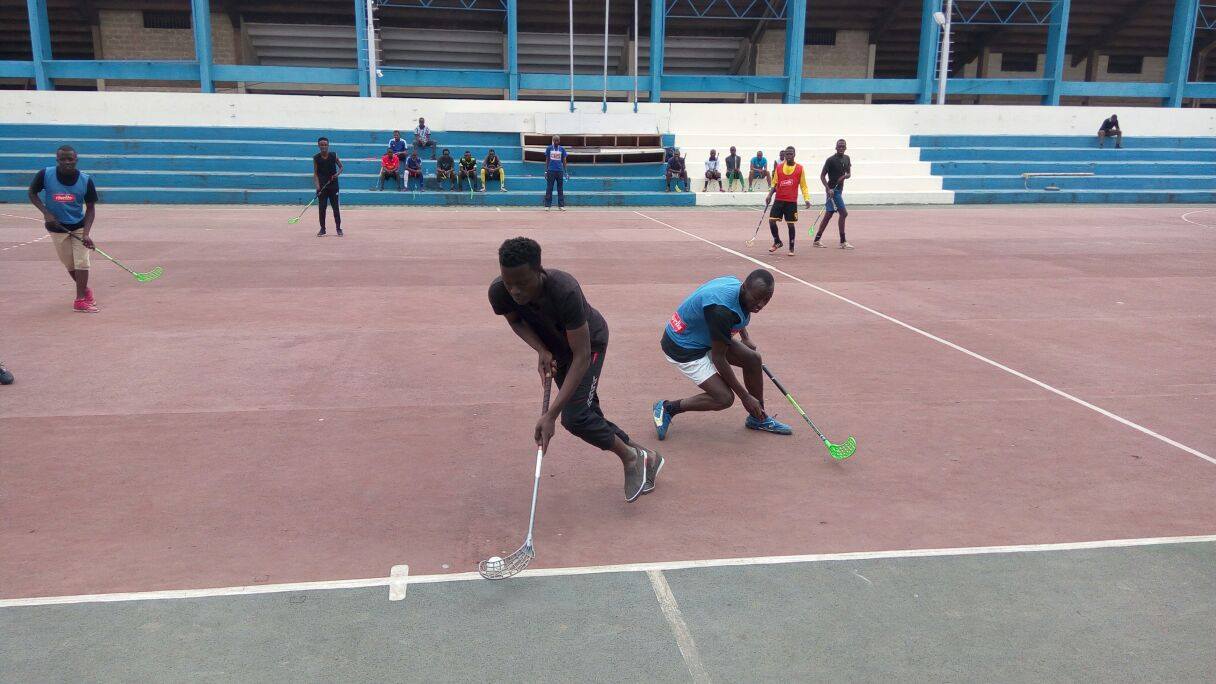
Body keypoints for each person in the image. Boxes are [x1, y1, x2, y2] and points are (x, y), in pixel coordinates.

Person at [489, 237, 663, 501]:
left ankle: (630, 458)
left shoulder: (564, 290)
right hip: (557, 348)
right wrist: (541, 350)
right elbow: (515, 321)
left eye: (522, 283)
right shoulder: (499, 292)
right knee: (586, 411)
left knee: (575, 417)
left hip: (589, 345)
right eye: (508, 282)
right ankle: (646, 456)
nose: (515, 291)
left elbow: (581, 356)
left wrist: (550, 415)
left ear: (539, 271)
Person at [651, 270, 792, 440]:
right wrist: (745, 397)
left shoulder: (734, 284)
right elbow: (719, 358)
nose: (760, 305)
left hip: (706, 334)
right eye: (756, 299)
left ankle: (758, 417)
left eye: (766, 300)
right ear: (744, 288)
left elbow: (735, 312)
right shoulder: (721, 311)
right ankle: (668, 408)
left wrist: (745, 337)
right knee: (724, 398)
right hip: (683, 346)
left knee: (753, 359)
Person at [28, 145, 100, 312]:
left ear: (76, 160)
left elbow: (90, 208)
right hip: (56, 228)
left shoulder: (86, 180)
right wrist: (46, 212)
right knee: (70, 264)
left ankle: (80, 300)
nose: (67, 162)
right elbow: (32, 193)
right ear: (57, 160)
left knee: (82, 262)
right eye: (63, 159)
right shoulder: (45, 174)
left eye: (70, 159)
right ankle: (85, 290)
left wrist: (87, 234)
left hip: (79, 226)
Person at [765, 146, 811, 256]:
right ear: (784, 155)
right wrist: (769, 195)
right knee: (771, 221)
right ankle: (777, 242)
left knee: (790, 224)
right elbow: (774, 183)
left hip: (791, 201)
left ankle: (791, 247)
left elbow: (803, 186)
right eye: (787, 154)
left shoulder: (800, 168)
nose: (789, 156)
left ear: (794, 155)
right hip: (779, 199)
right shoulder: (779, 167)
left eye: (791, 154)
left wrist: (807, 199)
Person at [813, 139, 853, 249]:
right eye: (839, 146)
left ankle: (817, 239)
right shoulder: (830, 160)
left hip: (839, 190)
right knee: (844, 213)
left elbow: (849, 173)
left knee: (829, 214)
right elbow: (822, 176)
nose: (841, 148)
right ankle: (843, 241)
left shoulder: (847, 158)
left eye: (843, 146)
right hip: (832, 191)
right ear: (836, 147)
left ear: (845, 148)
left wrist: (845, 176)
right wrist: (827, 188)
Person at [313, 137, 343, 237]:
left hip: (334, 186)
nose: (323, 146)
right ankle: (322, 229)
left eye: (325, 144)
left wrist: (337, 174)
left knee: (335, 208)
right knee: (322, 208)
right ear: (318, 146)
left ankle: (338, 228)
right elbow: (315, 174)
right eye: (321, 145)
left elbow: (341, 167)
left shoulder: (334, 155)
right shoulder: (316, 158)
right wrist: (317, 187)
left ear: (328, 145)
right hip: (322, 187)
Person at [544, 135, 568, 211]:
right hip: (551, 171)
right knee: (549, 188)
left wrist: (566, 172)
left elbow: (564, 161)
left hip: (560, 171)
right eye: (555, 140)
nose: (556, 142)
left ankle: (561, 206)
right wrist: (546, 171)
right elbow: (547, 160)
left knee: (560, 188)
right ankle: (547, 205)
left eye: (558, 140)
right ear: (553, 140)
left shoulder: (562, 149)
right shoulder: (549, 148)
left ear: (559, 141)